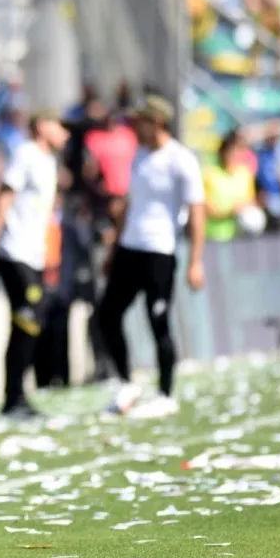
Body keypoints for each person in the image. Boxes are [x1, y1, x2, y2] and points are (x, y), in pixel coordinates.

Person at [97, 94, 205, 419]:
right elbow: (130, 205)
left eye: (140, 121)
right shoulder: (140, 156)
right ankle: (126, 383)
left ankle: (166, 393)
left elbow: (197, 212)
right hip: (130, 247)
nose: (134, 127)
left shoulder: (181, 160)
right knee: (107, 315)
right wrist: (114, 248)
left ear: (156, 122)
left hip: (160, 251)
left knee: (158, 321)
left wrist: (196, 261)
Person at [0, 113, 69, 418]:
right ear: (42, 126)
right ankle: (13, 397)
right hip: (14, 251)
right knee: (27, 320)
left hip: (34, 255)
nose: (65, 134)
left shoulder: (48, 161)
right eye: (59, 126)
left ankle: (16, 396)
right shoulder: (25, 154)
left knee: (30, 323)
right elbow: (5, 198)